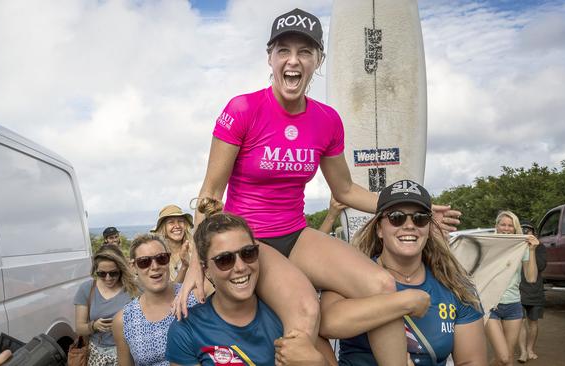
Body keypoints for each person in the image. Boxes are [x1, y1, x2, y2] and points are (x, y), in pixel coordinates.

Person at [176, 8, 461, 365]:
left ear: (318, 60)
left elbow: (346, 191)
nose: (293, 61)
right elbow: (209, 196)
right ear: (270, 57)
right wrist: (195, 267)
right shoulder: (243, 108)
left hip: (296, 233)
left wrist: (409, 207)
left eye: (305, 52)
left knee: (383, 286)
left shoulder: (326, 120)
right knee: (305, 308)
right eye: (284, 51)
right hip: (250, 239)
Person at [320, 180, 486, 365]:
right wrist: (406, 302)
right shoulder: (349, 276)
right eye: (396, 217)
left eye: (420, 218)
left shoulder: (456, 286)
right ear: (380, 229)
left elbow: (471, 361)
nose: (409, 225)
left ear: (429, 229)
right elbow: (327, 323)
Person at [167, 199, 326, 365]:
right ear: (206, 270)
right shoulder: (188, 330)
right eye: (225, 259)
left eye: (248, 253)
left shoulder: (285, 313)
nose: (241, 267)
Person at [112, 234, 198, 366]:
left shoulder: (194, 297)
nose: (154, 266)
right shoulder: (123, 320)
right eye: (144, 262)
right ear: (133, 266)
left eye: (161, 258)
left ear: (168, 259)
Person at [486, 211, 540, 366]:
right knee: (503, 357)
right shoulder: (488, 244)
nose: (506, 228)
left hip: (513, 306)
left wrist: (531, 250)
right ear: (496, 226)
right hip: (491, 306)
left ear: (515, 228)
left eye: (510, 226)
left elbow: (531, 278)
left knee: (507, 359)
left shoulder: (520, 247)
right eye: (503, 224)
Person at [75, 245, 139, 366]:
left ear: (121, 269)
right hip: (98, 354)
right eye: (102, 274)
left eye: (113, 273)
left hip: (129, 353)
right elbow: (79, 328)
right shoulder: (87, 289)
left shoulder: (133, 288)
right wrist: (94, 326)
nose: (108, 278)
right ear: (95, 271)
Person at [517, 220, 546, 363]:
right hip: (518, 291)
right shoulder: (515, 247)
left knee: (533, 322)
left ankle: (530, 349)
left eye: (528, 230)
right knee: (520, 322)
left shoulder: (540, 247)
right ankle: (523, 352)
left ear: (534, 233)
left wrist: (531, 249)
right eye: (522, 229)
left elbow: (541, 266)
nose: (525, 232)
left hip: (535, 291)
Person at [153, 204, 194, 283]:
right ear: (163, 228)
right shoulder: (158, 257)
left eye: (180, 221)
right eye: (171, 222)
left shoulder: (195, 251)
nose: (177, 226)